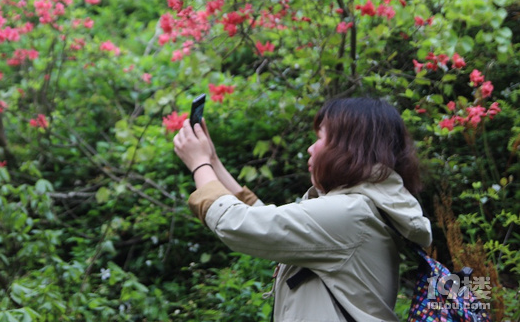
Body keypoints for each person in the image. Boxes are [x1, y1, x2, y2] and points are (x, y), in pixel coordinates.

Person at [173, 97, 432, 322]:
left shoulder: (350, 213)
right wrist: (213, 161)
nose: (310, 148)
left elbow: (237, 223)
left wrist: (199, 164)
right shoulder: (362, 208)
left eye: (319, 138)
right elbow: (270, 222)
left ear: (349, 148)